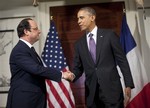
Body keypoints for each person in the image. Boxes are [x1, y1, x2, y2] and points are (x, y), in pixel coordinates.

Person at [71, 7, 135, 108]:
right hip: (92, 95)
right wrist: (72, 76)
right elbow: (77, 68)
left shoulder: (109, 35)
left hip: (112, 92)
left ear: (92, 17)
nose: (79, 21)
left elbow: (122, 60)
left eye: (81, 18)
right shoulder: (79, 44)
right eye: (78, 18)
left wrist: (128, 84)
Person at [6, 18, 73, 108]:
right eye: (36, 29)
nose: (39, 31)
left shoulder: (28, 49)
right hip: (24, 100)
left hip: (33, 99)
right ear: (26, 31)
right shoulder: (20, 50)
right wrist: (62, 75)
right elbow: (37, 69)